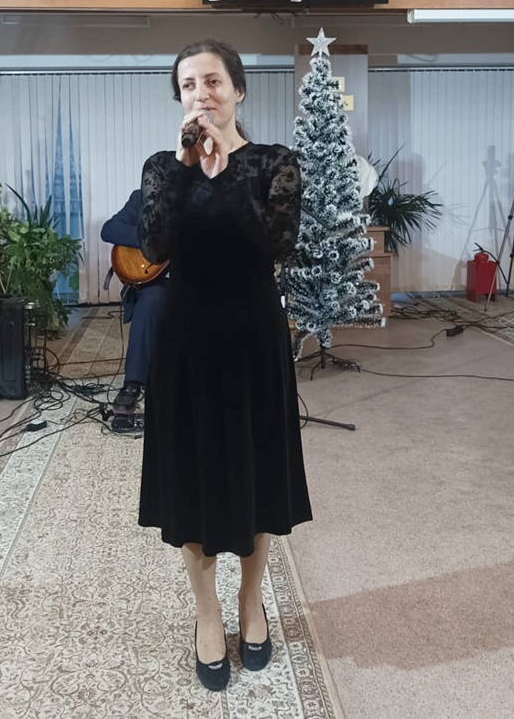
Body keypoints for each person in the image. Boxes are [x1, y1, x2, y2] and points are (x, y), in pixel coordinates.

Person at [137, 39, 312, 691]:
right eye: (189, 85)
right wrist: (190, 167)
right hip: (186, 343)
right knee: (193, 478)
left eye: (212, 81)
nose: (201, 94)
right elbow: (154, 246)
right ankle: (207, 611)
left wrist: (225, 167)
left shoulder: (274, 162)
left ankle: (250, 598)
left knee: (256, 473)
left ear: (238, 90)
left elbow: (277, 244)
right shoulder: (164, 167)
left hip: (252, 339)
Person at [100, 190, 167, 428]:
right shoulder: (142, 198)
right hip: (154, 282)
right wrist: (153, 240)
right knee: (150, 301)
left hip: (193, 284)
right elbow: (109, 230)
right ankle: (132, 385)